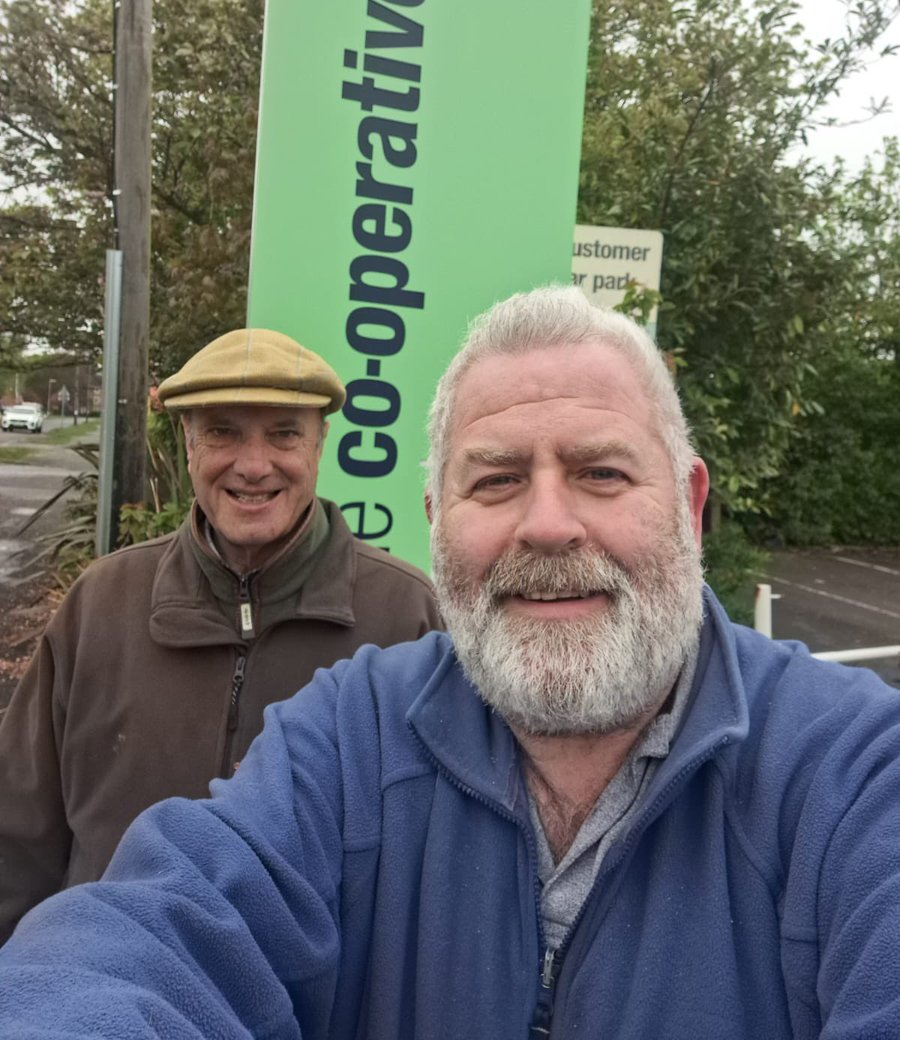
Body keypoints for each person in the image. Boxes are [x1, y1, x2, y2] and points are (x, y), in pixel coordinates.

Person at [1, 286, 899, 1038]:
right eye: (497, 479)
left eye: (603, 474)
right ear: (438, 516)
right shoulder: (348, 734)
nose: (548, 524)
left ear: (692, 505)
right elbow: (164, 927)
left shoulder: (855, 773)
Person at [0, 327, 440, 944]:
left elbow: (431, 863)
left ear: (320, 444)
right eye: (223, 431)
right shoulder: (101, 603)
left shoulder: (407, 619)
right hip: (106, 991)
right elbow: (17, 834)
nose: (253, 465)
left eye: (284, 433)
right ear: (188, 444)